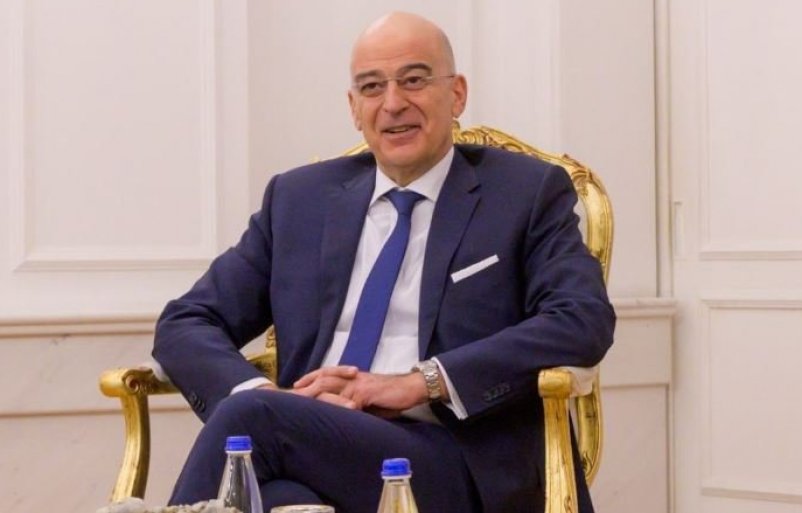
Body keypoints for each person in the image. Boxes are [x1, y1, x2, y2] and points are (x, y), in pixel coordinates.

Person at [153, 11, 615, 513]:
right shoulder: (300, 200)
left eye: (413, 80)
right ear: (354, 107)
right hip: (313, 447)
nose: (393, 103)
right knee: (277, 496)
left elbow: (581, 319)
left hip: (457, 459)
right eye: (372, 87)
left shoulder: (524, 192)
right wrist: (266, 392)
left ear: (457, 94)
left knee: (252, 424)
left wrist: (418, 383)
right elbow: (187, 321)